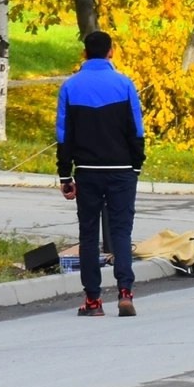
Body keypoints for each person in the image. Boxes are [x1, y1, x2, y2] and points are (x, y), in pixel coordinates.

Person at [56, 29, 147, 317]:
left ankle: (93, 301)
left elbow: (63, 135)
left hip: (87, 171)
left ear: (85, 53)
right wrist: (136, 164)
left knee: (88, 233)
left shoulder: (70, 87)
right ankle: (125, 293)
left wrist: (64, 175)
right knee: (121, 231)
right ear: (111, 51)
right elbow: (137, 130)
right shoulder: (125, 84)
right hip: (121, 170)